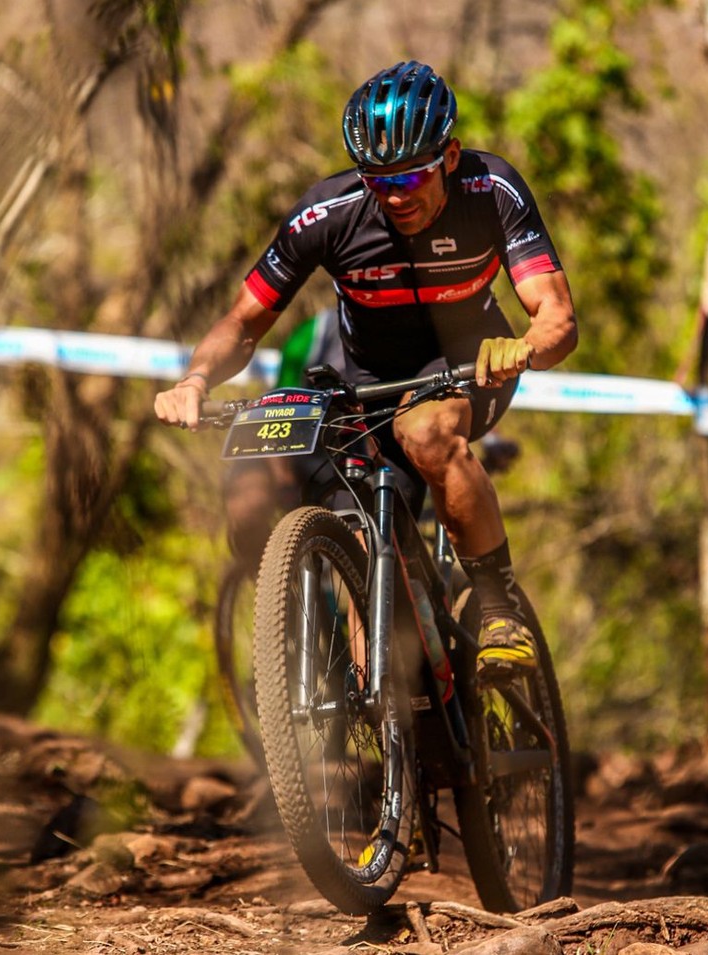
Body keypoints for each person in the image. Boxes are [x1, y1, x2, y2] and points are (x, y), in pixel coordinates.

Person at [156, 60, 578, 678]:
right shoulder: (326, 215)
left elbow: (557, 318)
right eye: (380, 181)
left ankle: (497, 604)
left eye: (412, 175)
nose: (398, 195)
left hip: (468, 366)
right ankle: (391, 740)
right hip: (368, 384)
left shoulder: (492, 191)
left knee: (428, 434)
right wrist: (195, 379)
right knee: (364, 580)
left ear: (450, 157)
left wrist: (524, 347)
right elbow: (243, 322)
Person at [221, 308, 345, 566]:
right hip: (297, 448)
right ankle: (266, 581)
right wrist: (282, 476)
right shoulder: (314, 333)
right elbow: (275, 410)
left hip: (347, 453)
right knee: (248, 493)